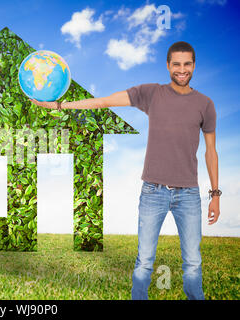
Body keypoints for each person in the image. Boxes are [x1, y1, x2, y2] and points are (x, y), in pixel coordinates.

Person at [29, 41, 221, 300]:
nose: (182, 69)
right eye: (176, 64)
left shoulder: (205, 104)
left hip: (189, 194)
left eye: (187, 64)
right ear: (168, 66)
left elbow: (211, 151)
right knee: (144, 261)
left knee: (193, 263)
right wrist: (61, 107)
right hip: (153, 191)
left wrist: (215, 194)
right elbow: (105, 101)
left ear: (194, 66)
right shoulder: (151, 93)